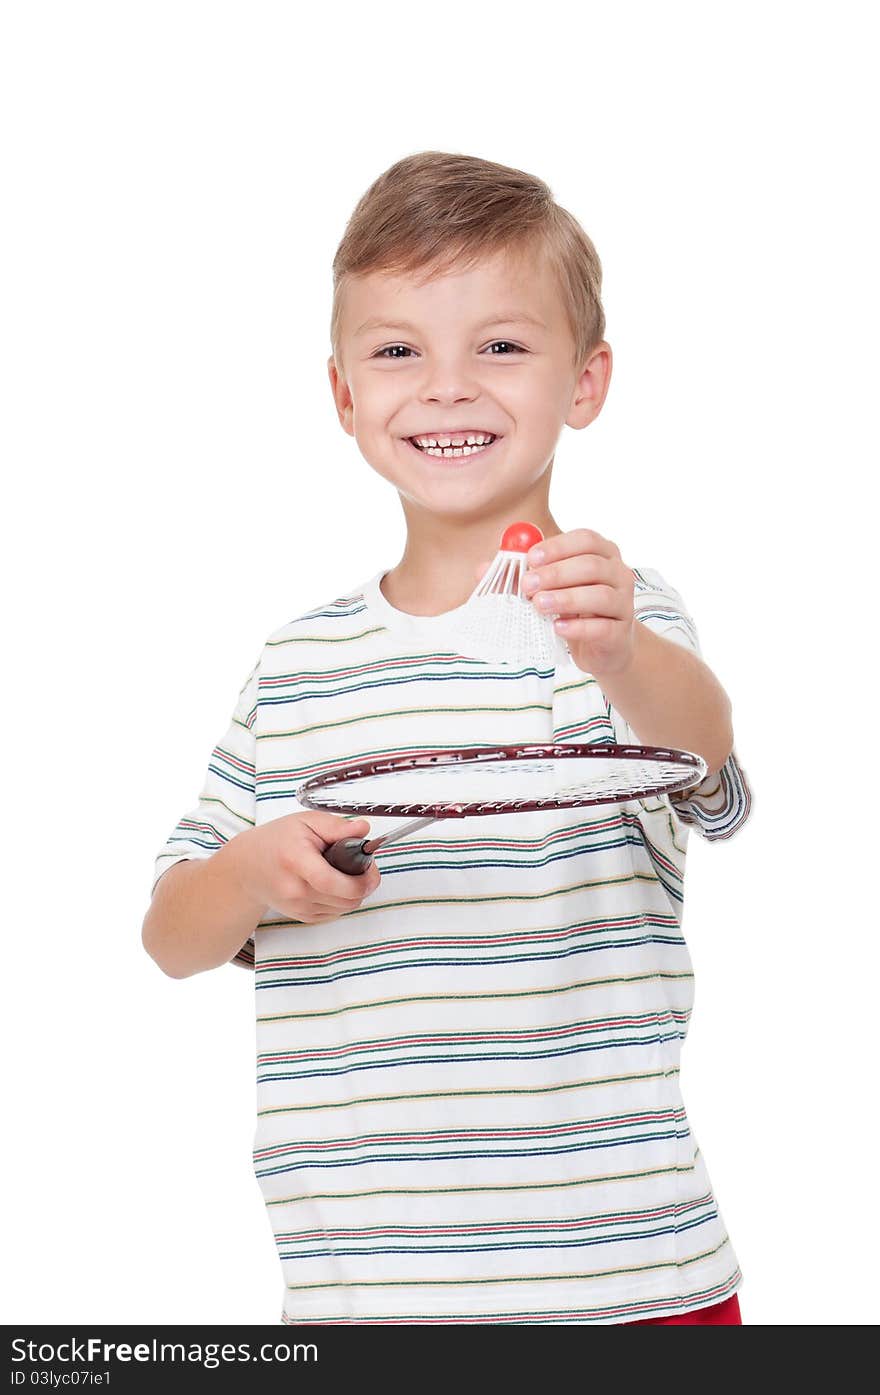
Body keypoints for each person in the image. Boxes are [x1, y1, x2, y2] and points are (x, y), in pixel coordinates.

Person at [143, 150, 753, 1326]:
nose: (446, 387)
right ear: (342, 397)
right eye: (397, 351)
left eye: (501, 346)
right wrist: (249, 871)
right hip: (373, 1295)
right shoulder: (298, 663)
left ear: (586, 380)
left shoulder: (619, 617)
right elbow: (171, 933)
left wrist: (621, 652)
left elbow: (710, 769)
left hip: (631, 1274)